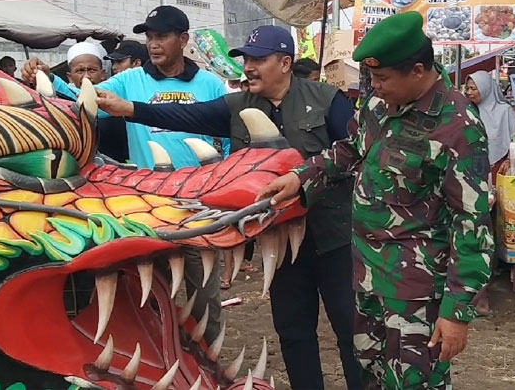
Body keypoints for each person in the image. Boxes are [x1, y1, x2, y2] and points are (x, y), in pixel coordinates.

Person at [96, 24, 361, 390]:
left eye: (259, 59)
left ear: (285, 63)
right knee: (294, 330)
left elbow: (354, 154)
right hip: (278, 242)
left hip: (333, 237)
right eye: (247, 59)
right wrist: (129, 108)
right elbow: (188, 116)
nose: (249, 66)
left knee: (351, 328)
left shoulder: (328, 99)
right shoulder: (237, 104)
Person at [258, 12, 494, 389]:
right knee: (370, 374)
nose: (375, 87)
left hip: (415, 293)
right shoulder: (380, 106)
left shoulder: (458, 126)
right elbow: (350, 148)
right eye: (371, 78)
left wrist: (456, 312)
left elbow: (473, 225)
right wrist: (299, 178)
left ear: (418, 71)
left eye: (382, 78)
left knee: (415, 382)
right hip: (367, 279)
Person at [24, 6, 227, 345]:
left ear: (183, 39)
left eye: (162, 36)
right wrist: (48, 77)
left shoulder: (210, 84)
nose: (154, 44)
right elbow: (83, 98)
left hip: (199, 210)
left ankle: (212, 366)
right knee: (151, 296)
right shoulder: (130, 81)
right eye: (149, 38)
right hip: (149, 211)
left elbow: (230, 136)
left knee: (204, 299)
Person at [465, 71, 515, 179]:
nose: (468, 92)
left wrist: (510, 160)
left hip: (499, 168)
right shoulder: (467, 111)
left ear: (485, 89)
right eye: (467, 88)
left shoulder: (504, 111)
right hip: (470, 168)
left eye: (473, 89)